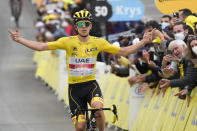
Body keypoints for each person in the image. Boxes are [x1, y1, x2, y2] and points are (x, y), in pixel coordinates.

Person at [8, 9, 153, 131]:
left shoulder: (98, 42)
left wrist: (143, 42)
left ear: (90, 26)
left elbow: (124, 51)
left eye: (87, 24)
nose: (84, 26)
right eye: (80, 24)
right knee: (80, 127)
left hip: (91, 85)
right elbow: (41, 47)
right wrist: (20, 39)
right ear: (76, 27)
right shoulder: (67, 41)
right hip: (74, 90)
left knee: (98, 108)